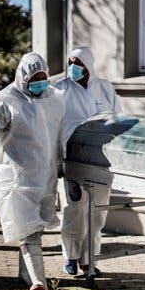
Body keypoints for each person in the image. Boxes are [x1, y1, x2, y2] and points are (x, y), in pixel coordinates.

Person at [0, 52, 65, 290]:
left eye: (43, 77)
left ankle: (25, 274)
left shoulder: (53, 98)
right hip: (16, 177)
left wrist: (61, 162)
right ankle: (38, 282)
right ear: (23, 76)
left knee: (36, 227)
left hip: (44, 175)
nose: (40, 82)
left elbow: (57, 135)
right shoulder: (5, 101)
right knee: (27, 230)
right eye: (34, 77)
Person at [57, 46, 121, 276]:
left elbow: (118, 119)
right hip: (72, 159)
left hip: (101, 160)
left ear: (88, 65)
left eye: (78, 63)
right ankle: (71, 257)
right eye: (70, 62)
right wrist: (57, 161)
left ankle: (89, 259)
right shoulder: (60, 90)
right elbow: (53, 127)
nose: (73, 67)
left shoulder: (104, 88)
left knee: (97, 212)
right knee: (74, 209)